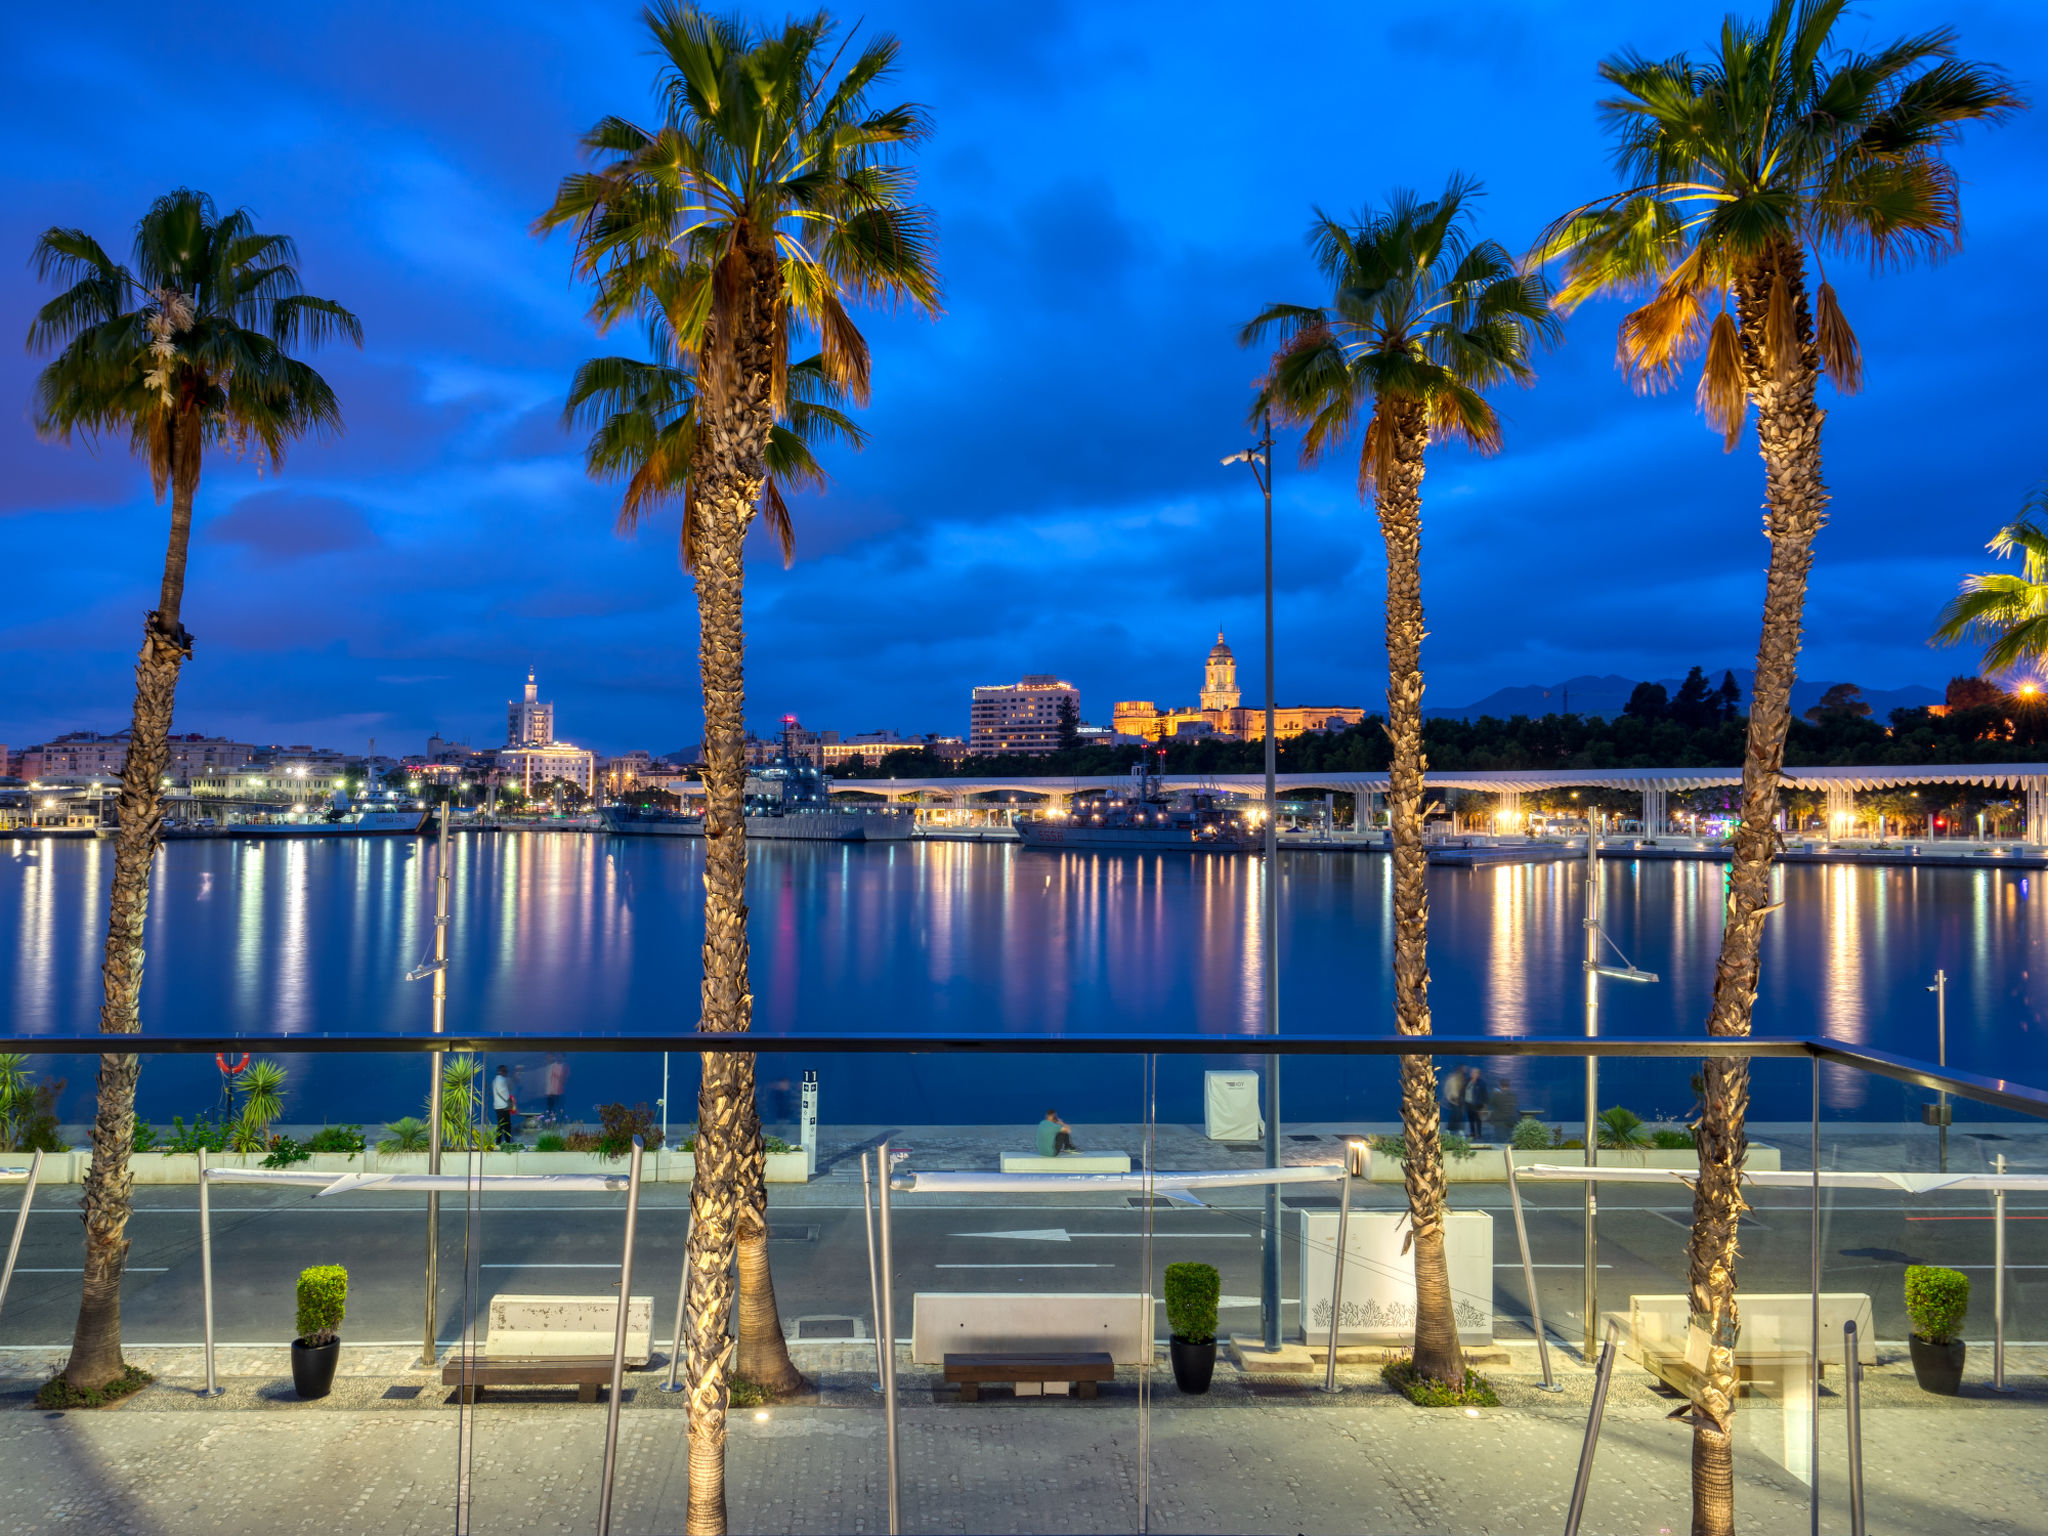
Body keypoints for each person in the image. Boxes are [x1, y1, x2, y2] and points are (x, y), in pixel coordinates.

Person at [1462, 1067, 1489, 1138]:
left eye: (1475, 1072)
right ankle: (1472, 1133)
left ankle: (1479, 1134)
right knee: (1471, 1119)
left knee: (1478, 1120)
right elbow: (1463, 1091)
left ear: (1478, 1074)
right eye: (1472, 1072)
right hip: (1469, 1104)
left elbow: (1485, 1095)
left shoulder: (1481, 1083)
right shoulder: (1467, 1081)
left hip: (1478, 1105)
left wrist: (1484, 1106)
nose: (1472, 1074)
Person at [1439, 1065, 1468, 1131]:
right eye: (1463, 1069)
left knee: (1458, 1115)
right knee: (1455, 1114)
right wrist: (1448, 1097)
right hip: (1453, 1099)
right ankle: (1451, 1129)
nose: (1464, 1071)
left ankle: (1455, 1129)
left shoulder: (1462, 1078)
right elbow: (1447, 1088)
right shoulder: (1453, 1078)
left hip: (1459, 1099)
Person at [492, 1064, 514, 1144]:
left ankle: (498, 1142)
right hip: (503, 1106)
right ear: (501, 1071)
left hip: (498, 1106)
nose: (506, 1073)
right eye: (505, 1071)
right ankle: (507, 1142)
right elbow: (503, 1092)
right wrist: (509, 1100)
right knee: (507, 1125)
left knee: (500, 1125)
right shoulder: (501, 1080)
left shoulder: (495, 1080)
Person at [544, 1054, 566, 1121]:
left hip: (559, 1092)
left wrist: (557, 1076)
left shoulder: (564, 1066)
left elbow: (565, 1079)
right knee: (551, 1109)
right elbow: (547, 1080)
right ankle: (551, 1124)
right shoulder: (550, 1067)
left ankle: (561, 1123)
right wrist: (547, 1091)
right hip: (551, 1093)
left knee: (560, 1108)